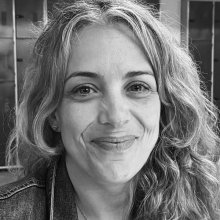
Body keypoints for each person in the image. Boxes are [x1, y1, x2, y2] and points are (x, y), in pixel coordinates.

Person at [0, 0, 220, 219]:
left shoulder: (204, 204)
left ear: (165, 105)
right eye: (85, 90)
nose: (115, 117)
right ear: (53, 113)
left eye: (137, 87)